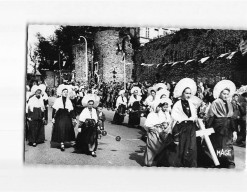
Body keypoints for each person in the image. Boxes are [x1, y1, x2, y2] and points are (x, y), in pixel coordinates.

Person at [206, 80, 237, 168]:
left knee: (228, 145)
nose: (225, 95)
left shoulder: (229, 104)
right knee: (218, 145)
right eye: (224, 93)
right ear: (220, 93)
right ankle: (218, 161)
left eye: (227, 94)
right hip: (218, 126)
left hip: (228, 127)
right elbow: (211, 116)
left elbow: (231, 118)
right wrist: (208, 128)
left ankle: (229, 161)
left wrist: (234, 130)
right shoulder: (215, 103)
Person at [170, 78, 199, 167]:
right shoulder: (178, 104)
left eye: (190, 93)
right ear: (182, 93)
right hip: (181, 127)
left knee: (191, 146)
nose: (188, 95)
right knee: (182, 146)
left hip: (191, 127)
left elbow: (194, 115)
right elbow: (174, 116)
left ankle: (190, 163)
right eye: (186, 93)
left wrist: (194, 119)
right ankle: (181, 163)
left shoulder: (191, 104)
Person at [144, 101, 172, 167]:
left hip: (160, 132)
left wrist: (164, 125)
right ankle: (148, 162)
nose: (159, 108)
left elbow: (165, 122)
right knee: (151, 147)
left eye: (160, 107)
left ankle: (155, 160)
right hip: (153, 132)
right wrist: (153, 127)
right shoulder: (151, 114)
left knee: (159, 147)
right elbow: (147, 124)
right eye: (158, 107)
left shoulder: (162, 114)